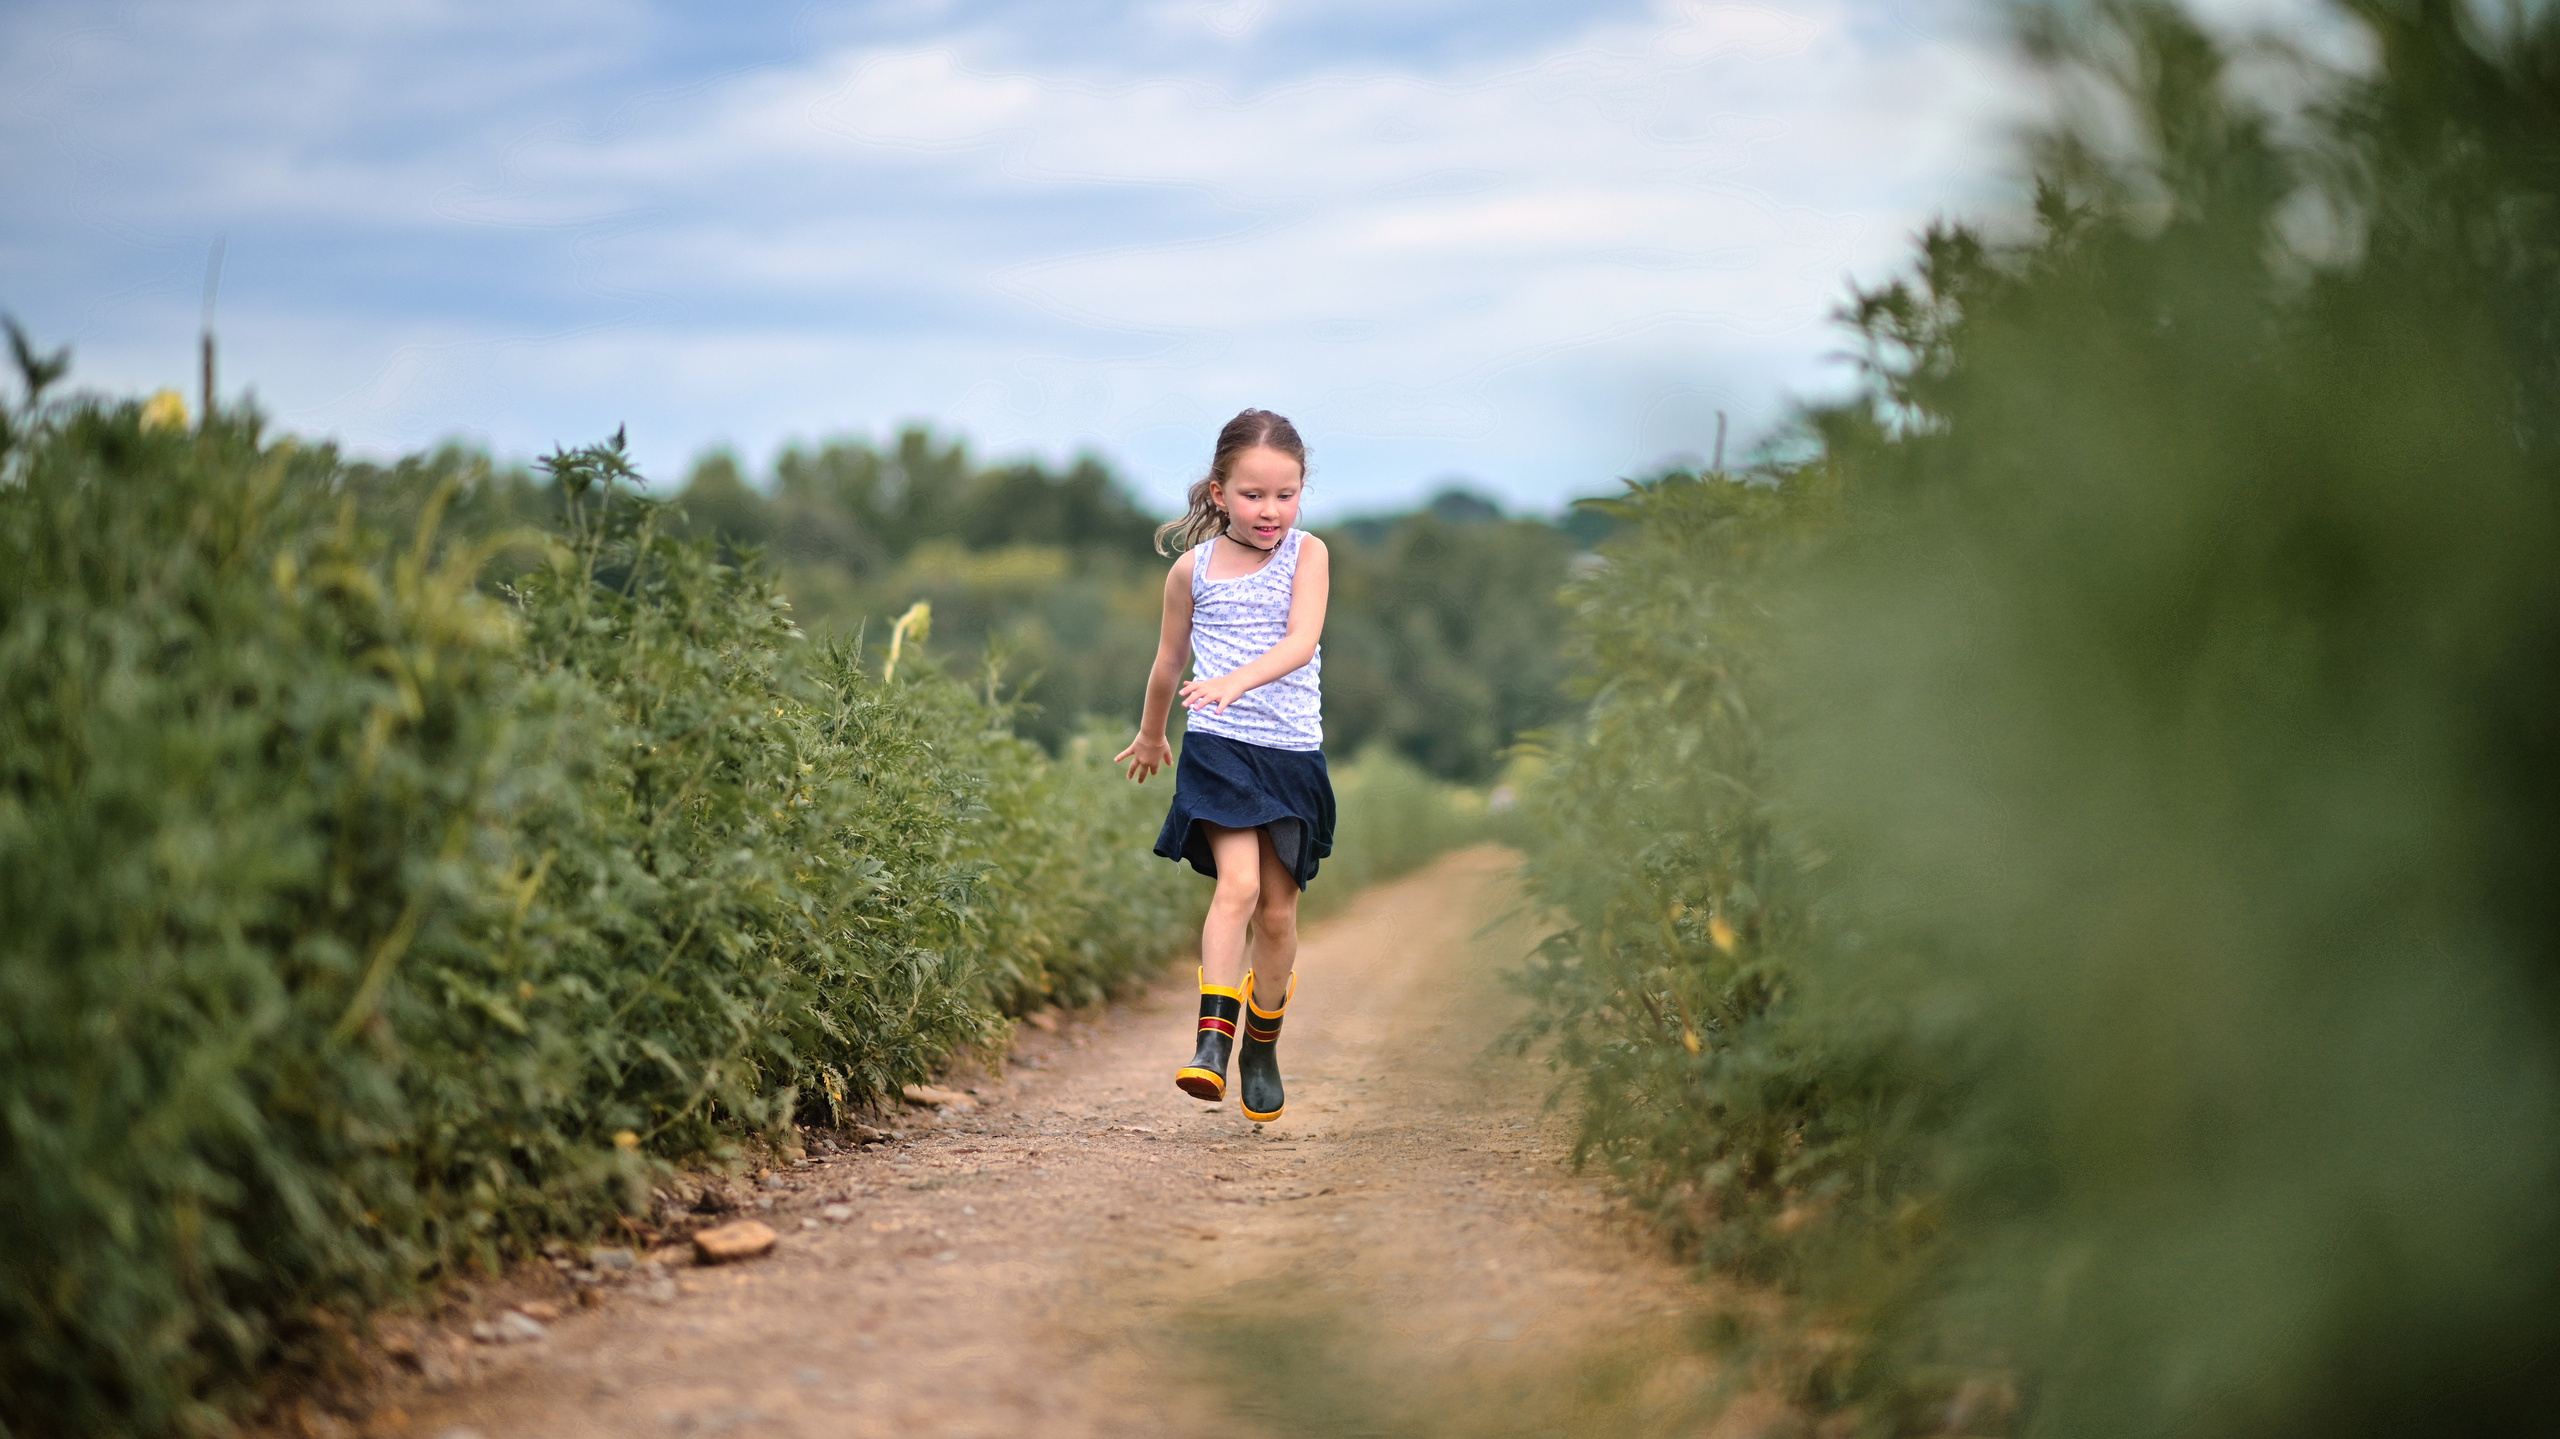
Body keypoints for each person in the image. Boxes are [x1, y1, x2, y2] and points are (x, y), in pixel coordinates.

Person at [1115, 408, 1333, 1124]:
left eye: (1284, 494)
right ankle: (1211, 1045)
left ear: (1301, 491)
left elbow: (1301, 642)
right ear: (1218, 492)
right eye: (1252, 495)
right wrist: (1152, 735)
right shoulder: (1192, 570)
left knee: (1276, 913)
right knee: (1235, 886)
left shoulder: (1309, 555)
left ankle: (1260, 1046)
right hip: (1217, 748)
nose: (1269, 510)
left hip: (1290, 754)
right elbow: (1167, 664)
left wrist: (1237, 679)